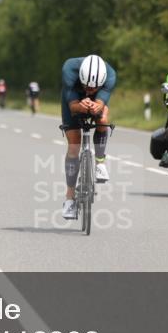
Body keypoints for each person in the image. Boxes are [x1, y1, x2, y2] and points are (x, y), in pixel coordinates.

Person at [60, 55, 116, 220]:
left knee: (103, 119)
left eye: (93, 88)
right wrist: (80, 106)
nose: (89, 91)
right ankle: (69, 199)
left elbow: (100, 105)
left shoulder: (110, 76)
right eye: (87, 87)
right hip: (73, 98)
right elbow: (73, 107)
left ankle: (100, 162)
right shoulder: (69, 69)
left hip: (95, 101)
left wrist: (96, 106)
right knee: (74, 145)